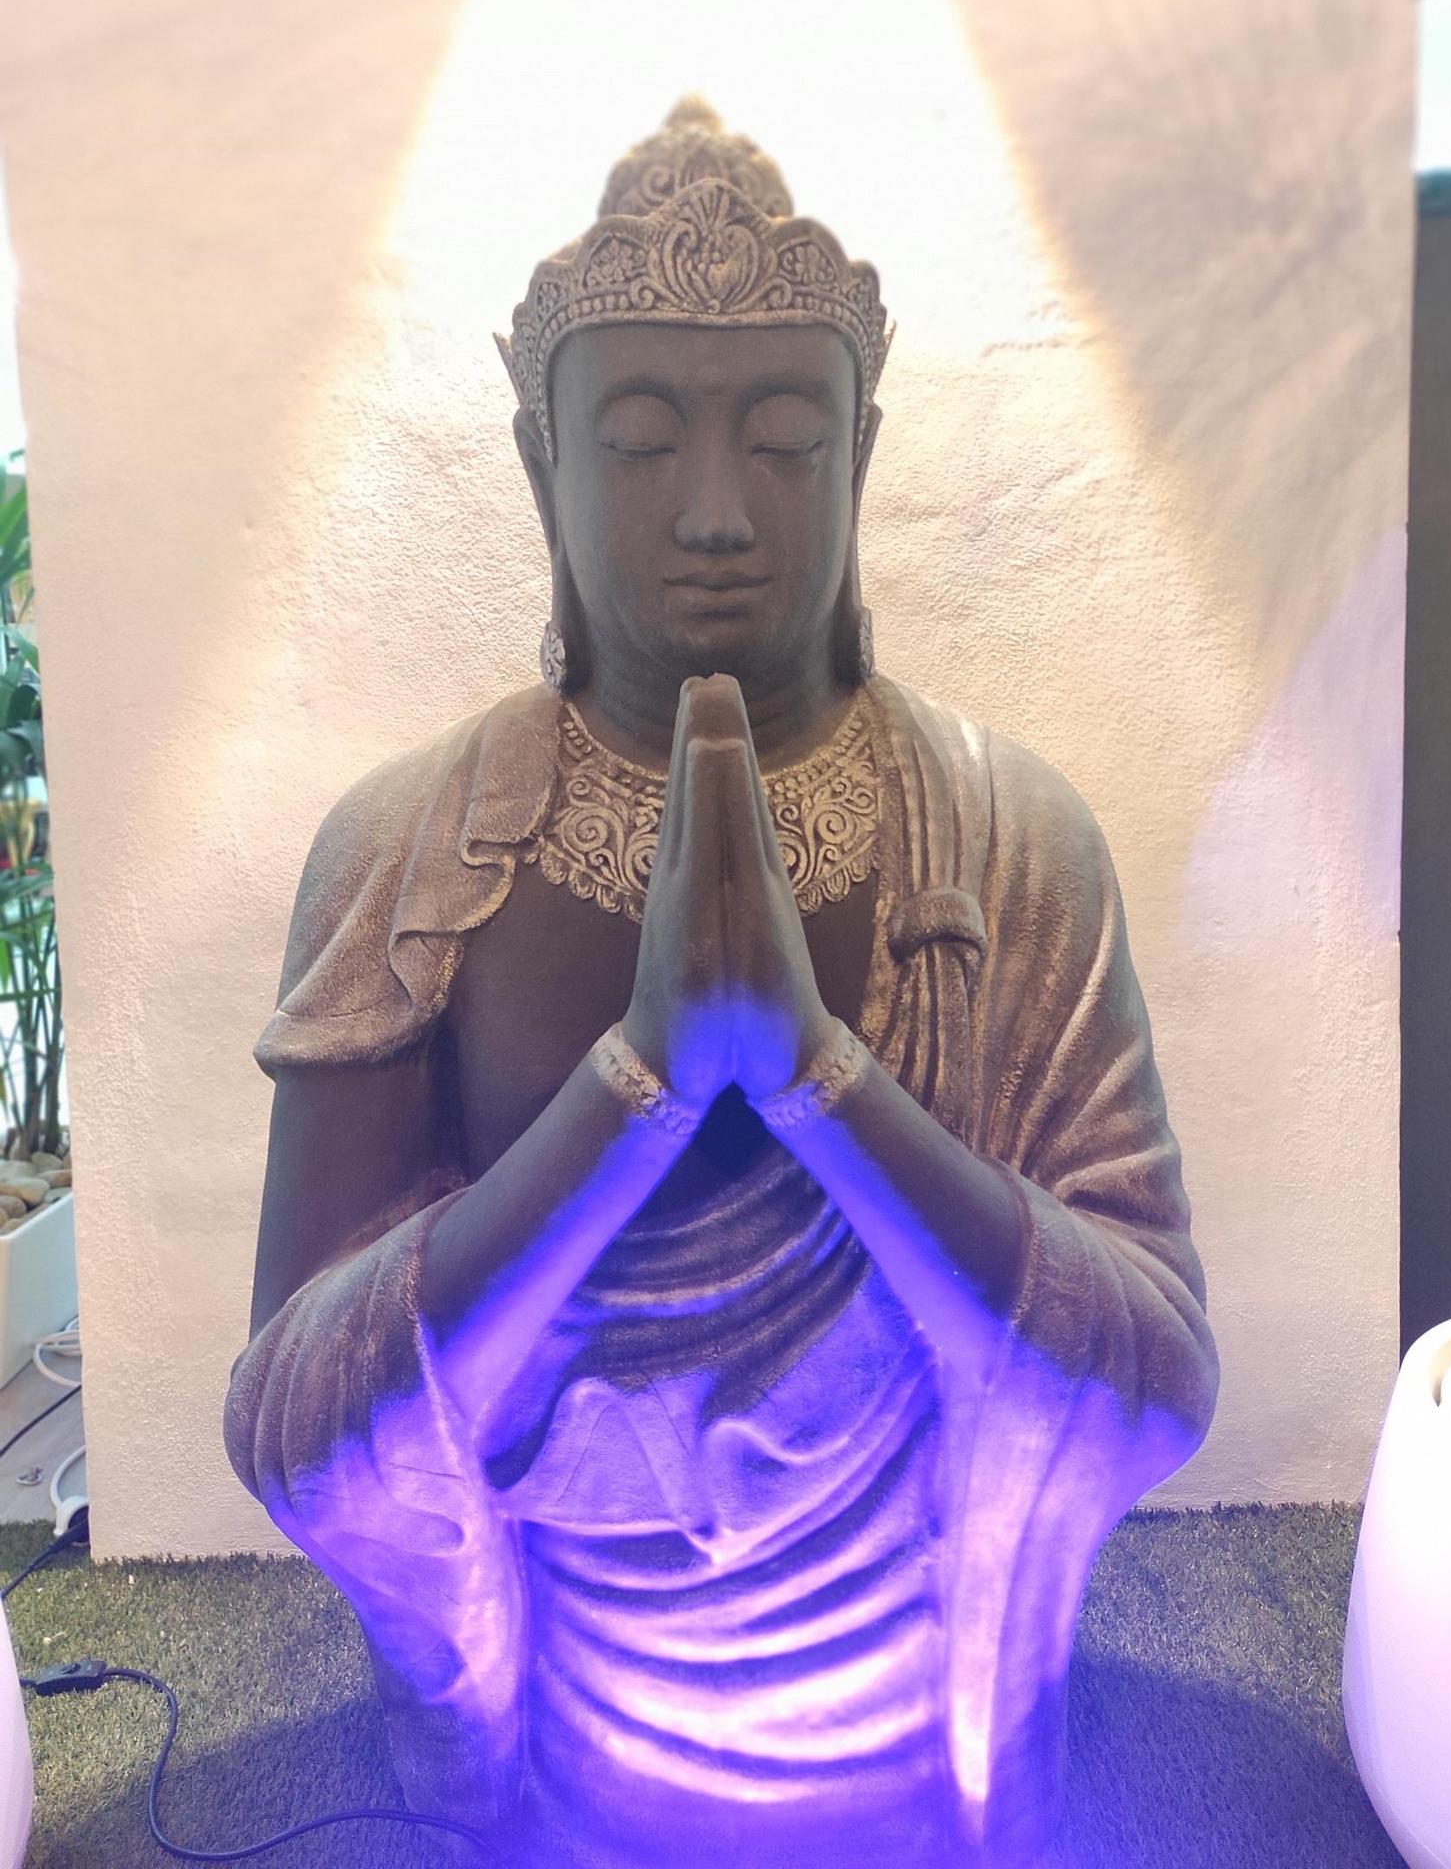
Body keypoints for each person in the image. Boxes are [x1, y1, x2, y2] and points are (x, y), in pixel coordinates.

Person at [225, 100, 1218, 1869]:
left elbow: (1147, 1373)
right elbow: (303, 1424)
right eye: (634, 442)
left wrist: (824, 1078)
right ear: (540, 464)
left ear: (861, 456)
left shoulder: (1012, 844)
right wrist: (643, 1082)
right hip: (575, 1743)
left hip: (913, 1732)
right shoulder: (406, 857)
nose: (712, 514)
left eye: (783, 441)